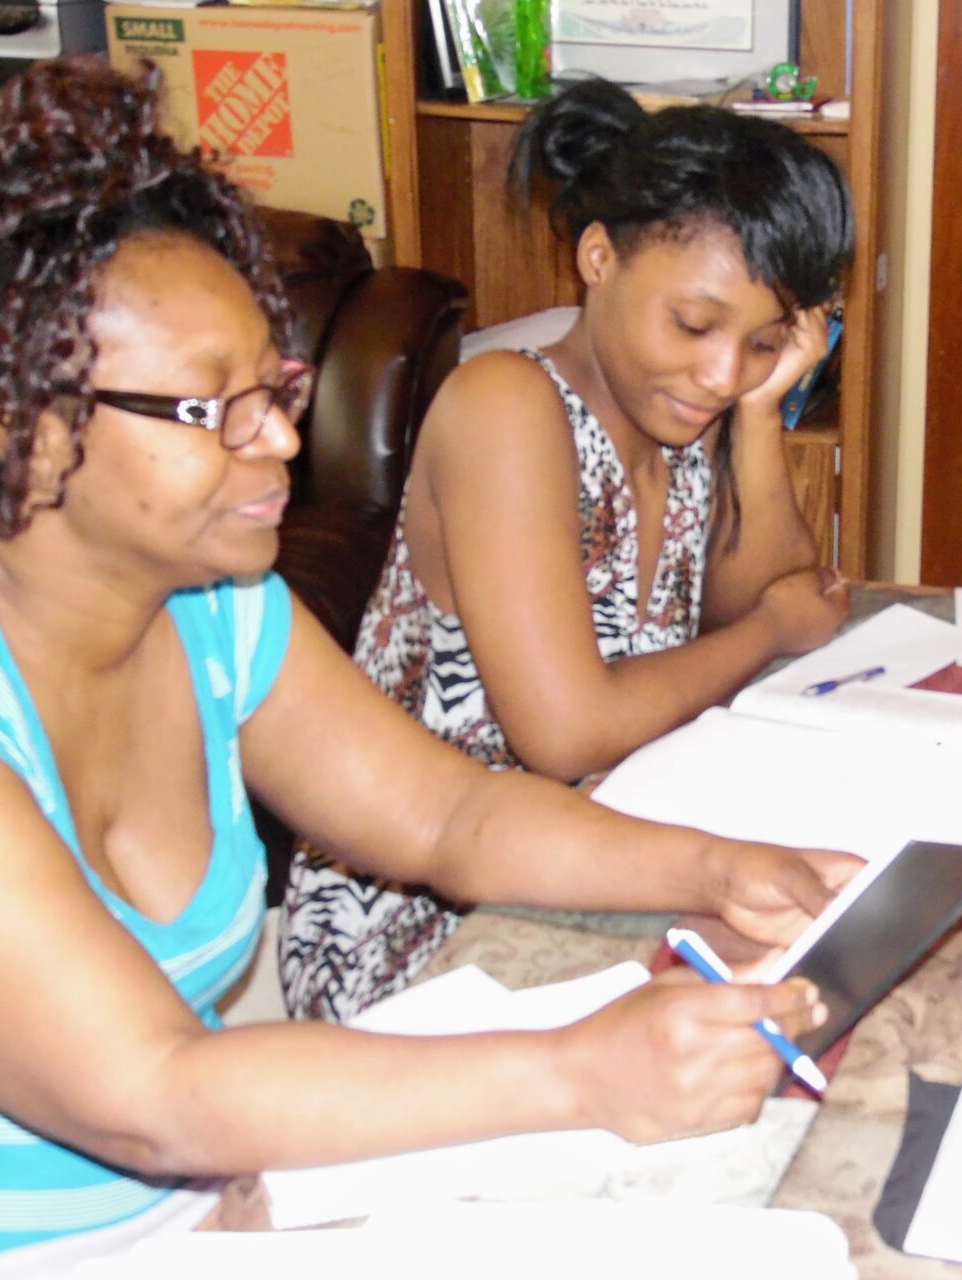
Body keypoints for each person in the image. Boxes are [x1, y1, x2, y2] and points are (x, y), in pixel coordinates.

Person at [0, 58, 857, 1275]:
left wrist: (719, 867)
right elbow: (149, 1087)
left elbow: (450, 811)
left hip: (209, 1215)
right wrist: (582, 1069)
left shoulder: (215, 610)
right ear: (26, 434)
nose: (284, 441)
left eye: (276, 387)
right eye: (215, 410)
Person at [280, 78, 854, 1021]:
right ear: (597, 257)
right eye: (695, 324)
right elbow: (566, 732)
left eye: (761, 343)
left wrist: (757, 412)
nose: (718, 370)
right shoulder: (507, 407)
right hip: (427, 908)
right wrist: (771, 634)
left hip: (605, 837)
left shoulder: (681, 401)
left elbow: (760, 593)